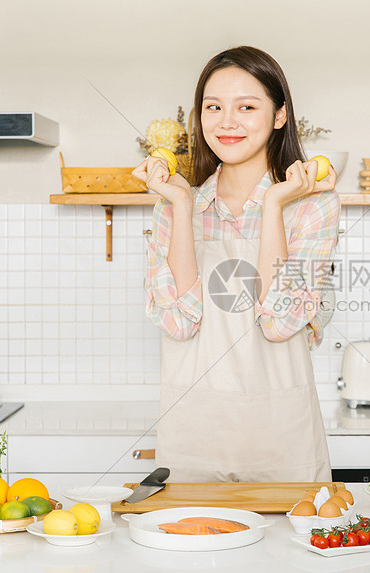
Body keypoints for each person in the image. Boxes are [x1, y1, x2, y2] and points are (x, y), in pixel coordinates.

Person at [132, 46, 339, 482]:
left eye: (247, 106)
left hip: (283, 439)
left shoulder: (313, 206)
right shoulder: (174, 206)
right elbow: (179, 321)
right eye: (214, 107)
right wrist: (183, 206)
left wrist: (273, 207)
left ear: (280, 115)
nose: (227, 121)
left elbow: (279, 323)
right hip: (193, 436)